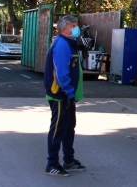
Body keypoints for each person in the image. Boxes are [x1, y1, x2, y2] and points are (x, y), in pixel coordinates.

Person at [43, 15, 86, 177]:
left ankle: (69, 160)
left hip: (68, 95)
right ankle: (52, 164)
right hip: (60, 95)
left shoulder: (69, 44)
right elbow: (61, 72)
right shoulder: (62, 45)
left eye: (76, 25)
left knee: (68, 129)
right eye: (72, 26)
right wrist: (68, 92)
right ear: (63, 30)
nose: (76, 28)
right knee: (58, 129)